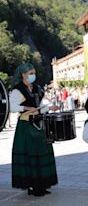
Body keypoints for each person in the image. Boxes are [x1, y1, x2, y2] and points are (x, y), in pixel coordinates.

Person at [9, 63, 59, 197]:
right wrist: (25, 108)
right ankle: (32, 186)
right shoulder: (17, 90)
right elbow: (12, 107)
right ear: (23, 74)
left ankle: (42, 184)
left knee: (41, 152)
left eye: (34, 73)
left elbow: (39, 107)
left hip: (39, 124)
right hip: (26, 126)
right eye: (31, 73)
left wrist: (49, 108)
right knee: (30, 154)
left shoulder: (37, 89)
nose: (33, 76)